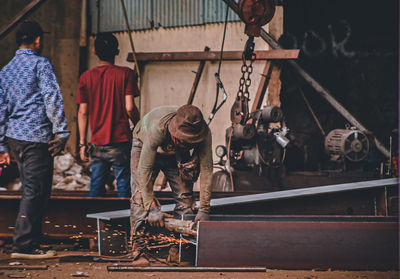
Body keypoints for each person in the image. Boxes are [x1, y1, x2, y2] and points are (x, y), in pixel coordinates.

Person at [0, 21, 70, 259]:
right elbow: (52, 98)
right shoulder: (41, 64)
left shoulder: (6, 70)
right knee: (35, 191)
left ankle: (30, 240)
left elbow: (0, 109)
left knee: (31, 189)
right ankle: (24, 246)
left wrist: (1, 145)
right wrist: (61, 131)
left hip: (15, 138)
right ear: (38, 40)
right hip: (36, 138)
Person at [130, 105, 212, 233]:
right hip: (143, 143)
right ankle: (138, 246)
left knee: (185, 200)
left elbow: (207, 170)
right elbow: (143, 171)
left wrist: (204, 209)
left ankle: (180, 246)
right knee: (140, 199)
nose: (188, 144)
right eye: (185, 141)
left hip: (175, 151)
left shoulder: (203, 133)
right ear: (175, 133)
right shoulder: (157, 129)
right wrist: (151, 207)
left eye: (191, 141)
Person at [76, 33, 140, 198]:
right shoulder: (126, 74)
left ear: (95, 51)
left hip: (97, 143)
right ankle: (125, 222)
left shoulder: (86, 77)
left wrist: (82, 144)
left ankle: (94, 222)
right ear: (117, 51)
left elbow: (83, 112)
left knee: (96, 187)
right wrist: (139, 124)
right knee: (124, 186)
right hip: (120, 142)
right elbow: (129, 107)